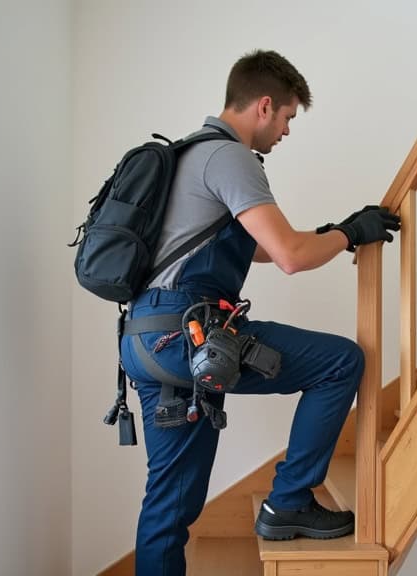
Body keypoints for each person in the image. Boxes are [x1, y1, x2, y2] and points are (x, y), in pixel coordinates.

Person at [118, 49, 400, 576]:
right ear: (265, 106)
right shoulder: (229, 157)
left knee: (169, 506)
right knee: (340, 362)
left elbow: (269, 248)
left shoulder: (187, 156)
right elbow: (291, 258)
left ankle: (286, 500)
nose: (287, 132)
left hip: (146, 337)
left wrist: (338, 232)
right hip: (188, 336)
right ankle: (289, 500)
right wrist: (350, 235)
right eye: (289, 118)